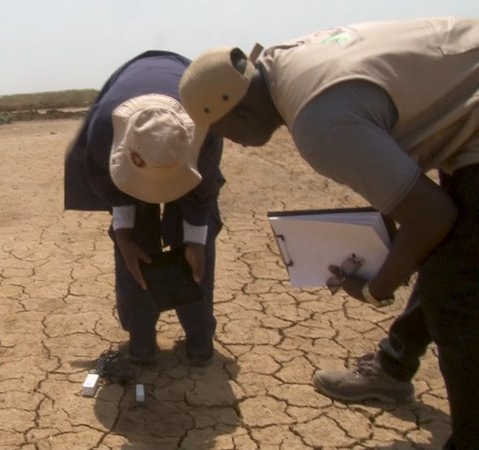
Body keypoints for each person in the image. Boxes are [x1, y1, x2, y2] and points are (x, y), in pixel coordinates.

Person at [178, 17, 478, 448]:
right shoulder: (287, 58)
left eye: (223, 135)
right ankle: (394, 367)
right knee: (448, 257)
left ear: (241, 113)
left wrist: (378, 287)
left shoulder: (318, 124)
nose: (233, 145)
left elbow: (433, 218)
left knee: (459, 298)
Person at [64, 50, 226, 367]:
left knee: (197, 254)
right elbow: (112, 187)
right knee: (135, 245)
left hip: (183, 139)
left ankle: (198, 341)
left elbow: (200, 194)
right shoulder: (104, 130)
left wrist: (195, 242)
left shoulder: (205, 123)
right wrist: (124, 237)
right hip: (127, 141)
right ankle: (142, 342)